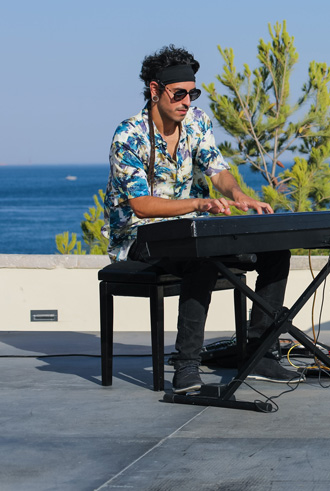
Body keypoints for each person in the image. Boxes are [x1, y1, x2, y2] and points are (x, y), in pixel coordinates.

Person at [103, 45, 302, 393]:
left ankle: (260, 354)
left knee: (275, 253)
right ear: (154, 90)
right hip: (138, 239)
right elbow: (142, 206)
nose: (186, 102)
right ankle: (186, 366)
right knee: (201, 260)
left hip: (190, 232)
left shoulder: (197, 121)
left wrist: (237, 194)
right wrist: (200, 203)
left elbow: (217, 169)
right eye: (178, 94)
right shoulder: (128, 135)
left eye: (192, 94)